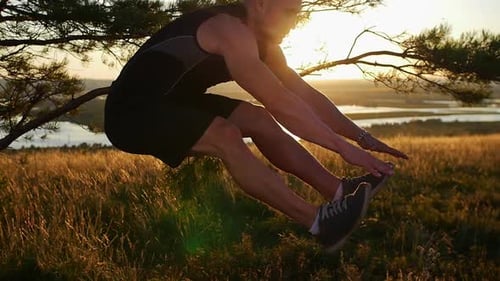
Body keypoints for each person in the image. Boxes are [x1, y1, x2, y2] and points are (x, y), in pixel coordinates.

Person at [104, 0, 408, 252]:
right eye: (289, 12)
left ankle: (338, 190)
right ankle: (320, 222)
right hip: (131, 114)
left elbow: (304, 96)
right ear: (261, 4)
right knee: (226, 136)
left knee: (258, 119)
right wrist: (344, 149)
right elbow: (280, 102)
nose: (294, 22)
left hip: (177, 102)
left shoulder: (265, 46)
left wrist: (361, 137)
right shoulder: (228, 30)